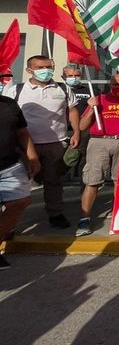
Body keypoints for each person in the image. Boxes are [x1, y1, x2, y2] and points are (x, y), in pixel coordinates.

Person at [3, 55, 79, 229]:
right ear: (29, 70)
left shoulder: (63, 89)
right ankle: (11, 222)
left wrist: (76, 132)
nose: (46, 71)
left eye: (48, 66)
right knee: (19, 184)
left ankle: (55, 213)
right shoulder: (16, 90)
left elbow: (72, 110)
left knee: (54, 182)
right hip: (24, 146)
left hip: (56, 143)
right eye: (40, 67)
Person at [75, 74, 119, 237]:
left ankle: (118, 214)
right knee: (92, 181)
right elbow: (82, 125)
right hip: (99, 141)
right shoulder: (99, 99)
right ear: (110, 85)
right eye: (116, 84)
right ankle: (84, 219)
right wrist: (92, 108)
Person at [0, 74, 40, 268]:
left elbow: (22, 133)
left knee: (21, 200)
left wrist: (32, 157)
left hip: (9, 166)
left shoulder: (9, 104)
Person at [62, 64, 91, 183]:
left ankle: (80, 181)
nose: (74, 78)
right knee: (63, 160)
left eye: (77, 75)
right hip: (63, 130)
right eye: (70, 76)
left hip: (83, 130)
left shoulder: (91, 90)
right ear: (64, 77)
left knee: (80, 158)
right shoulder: (59, 90)